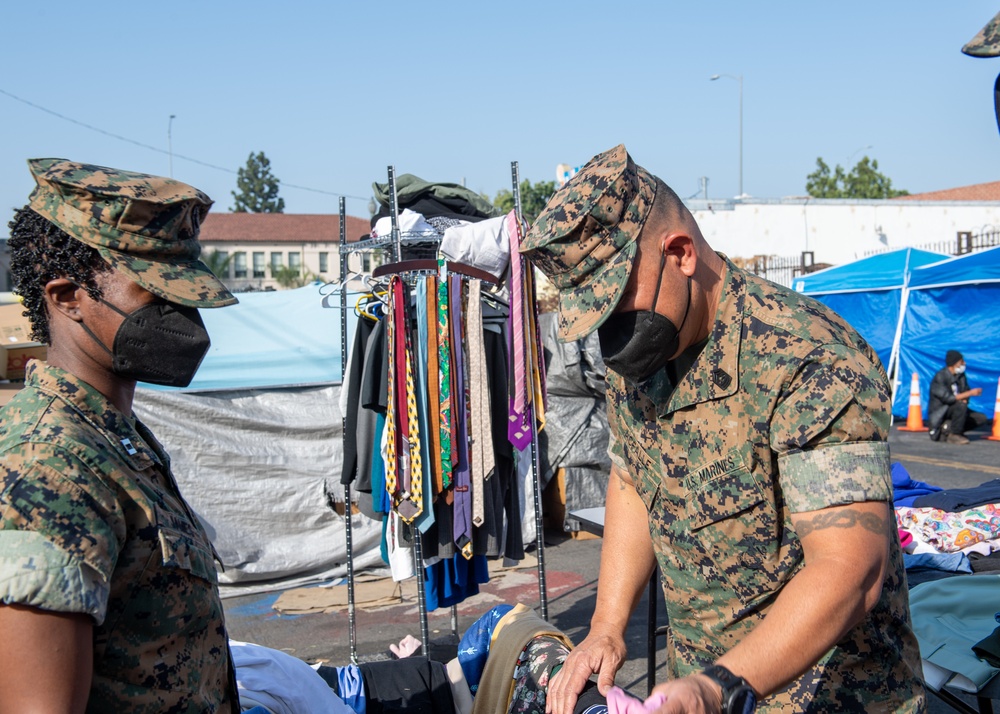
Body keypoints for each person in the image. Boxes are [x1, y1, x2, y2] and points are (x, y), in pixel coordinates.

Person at [520, 145, 925, 714]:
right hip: (702, 689)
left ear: (680, 253)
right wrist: (608, 625)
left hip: (832, 696)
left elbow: (850, 568)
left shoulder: (807, 357)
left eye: (618, 305)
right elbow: (635, 479)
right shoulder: (637, 367)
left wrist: (718, 686)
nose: (613, 336)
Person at [0, 159, 240, 712]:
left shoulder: (115, 437)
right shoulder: (47, 467)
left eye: (187, 294)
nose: (182, 318)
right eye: (157, 295)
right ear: (66, 297)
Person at [927, 350, 988, 445]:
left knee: (980, 418)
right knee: (960, 406)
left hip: (956, 409)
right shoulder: (940, 377)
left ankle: (950, 429)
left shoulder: (961, 376)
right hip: (943, 411)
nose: (964, 363)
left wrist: (965, 399)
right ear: (953, 363)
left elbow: (965, 390)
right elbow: (948, 399)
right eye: (961, 361)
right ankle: (954, 434)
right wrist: (970, 393)